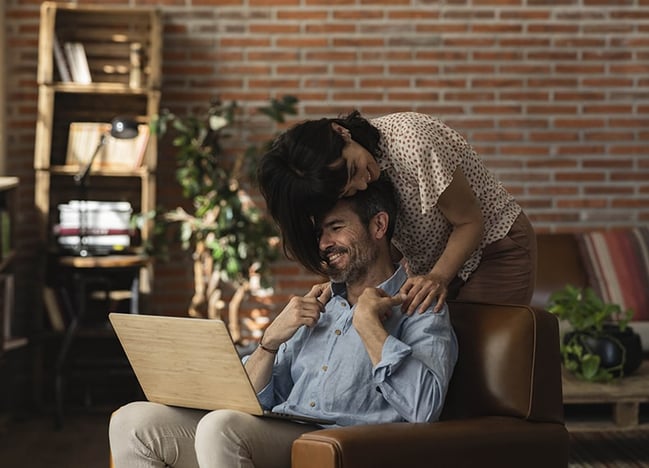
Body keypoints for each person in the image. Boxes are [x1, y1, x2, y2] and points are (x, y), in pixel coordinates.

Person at [109, 178, 458, 468]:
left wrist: (369, 326)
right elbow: (246, 402)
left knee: (222, 427)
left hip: (351, 444)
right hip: (283, 432)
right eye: (320, 233)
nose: (323, 244)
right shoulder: (318, 306)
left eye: (336, 228)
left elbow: (424, 409)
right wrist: (269, 343)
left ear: (378, 225)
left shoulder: (421, 305)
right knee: (134, 421)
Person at [257, 110, 537, 314]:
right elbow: (377, 243)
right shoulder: (335, 178)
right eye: (348, 190)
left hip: (495, 247)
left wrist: (438, 277)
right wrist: (338, 287)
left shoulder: (413, 142)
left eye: (354, 170)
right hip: (431, 267)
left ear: (340, 132)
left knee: (474, 361)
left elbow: (469, 222)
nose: (362, 183)